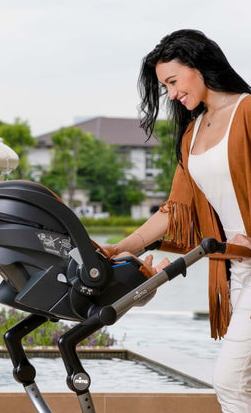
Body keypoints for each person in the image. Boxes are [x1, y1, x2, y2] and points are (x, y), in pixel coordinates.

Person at [105, 29, 251, 413]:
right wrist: (121, 248)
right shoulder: (192, 133)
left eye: (172, 81)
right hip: (236, 269)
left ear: (199, 66)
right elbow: (174, 209)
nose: (170, 94)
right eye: (163, 87)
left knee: (231, 381)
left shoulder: (247, 111)